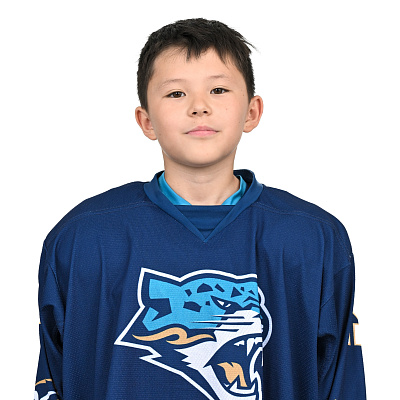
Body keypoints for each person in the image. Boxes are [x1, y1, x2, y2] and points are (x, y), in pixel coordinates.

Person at [34, 18, 366, 400]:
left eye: (218, 89)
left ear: (252, 112)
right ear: (146, 120)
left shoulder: (314, 239)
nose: (199, 107)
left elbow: (341, 382)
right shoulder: (82, 239)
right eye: (176, 93)